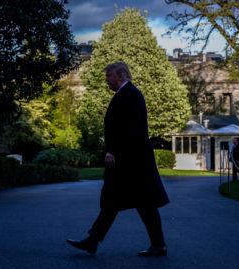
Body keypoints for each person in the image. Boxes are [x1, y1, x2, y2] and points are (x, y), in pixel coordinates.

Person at [67, 62, 169, 257]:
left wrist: (113, 151)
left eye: (109, 76)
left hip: (132, 160)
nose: (107, 80)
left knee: (140, 202)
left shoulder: (131, 94)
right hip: (130, 158)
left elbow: (129, 129)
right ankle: (93, 241)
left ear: (121, 76)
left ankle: (158, 244)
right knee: (118, 201)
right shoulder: (126, 94)